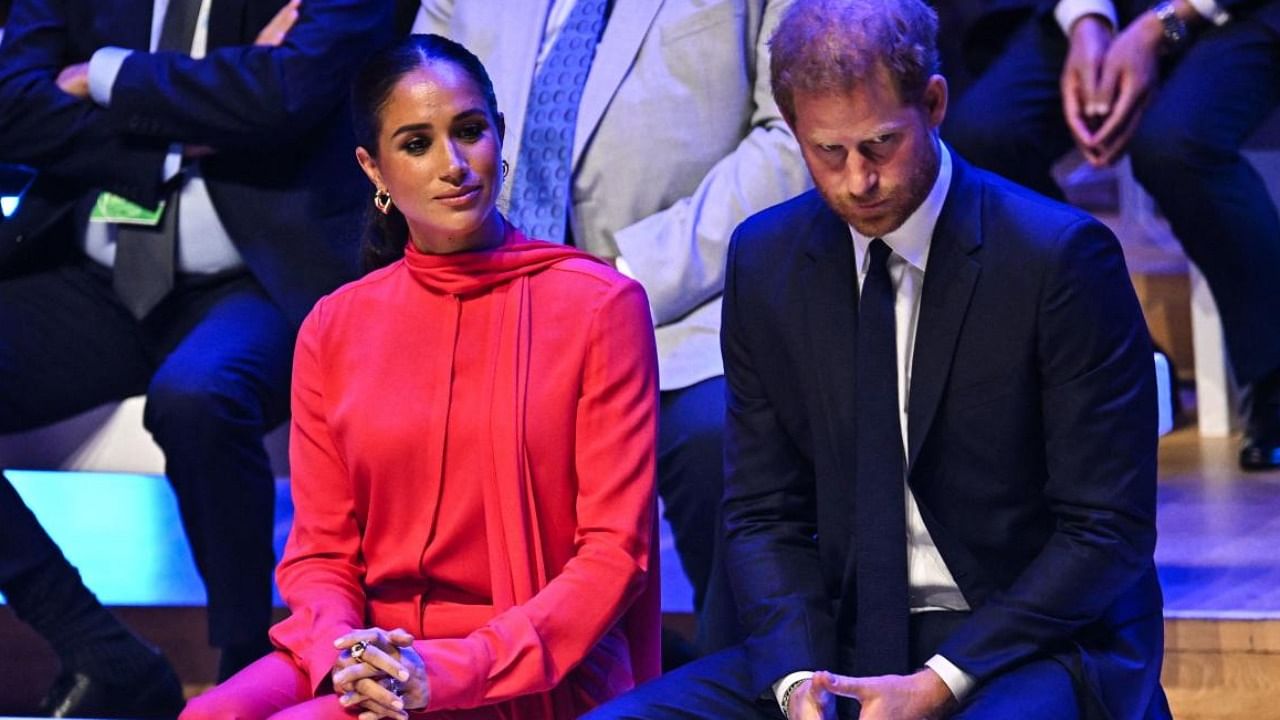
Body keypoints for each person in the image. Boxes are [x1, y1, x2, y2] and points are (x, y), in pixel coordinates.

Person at [585, 0, 1171, 718]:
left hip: (1027, 642)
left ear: (934, 103)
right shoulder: (766, 261)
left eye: (880, 145)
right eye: (827, 153)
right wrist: (799, 680)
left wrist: (941, 679)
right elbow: (765, 514)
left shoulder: (1058, 259)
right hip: (842, 637)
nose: (857, 180)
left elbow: (1106, 532)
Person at [180, 33, 660, 720]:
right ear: (373, 169)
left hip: (516, 663)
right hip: (368, 650)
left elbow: (614, 557)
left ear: (499, 134)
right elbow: (319, 553)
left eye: (470, 131)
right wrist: (348, 654)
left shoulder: (598, 307)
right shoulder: (333, 326)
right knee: (206, 715)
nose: (454, 165)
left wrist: (448, 668)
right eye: (416, 144)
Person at [0, 0, 395, 711]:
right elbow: (9, 105)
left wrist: (104, 77)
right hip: (93, 271)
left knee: (201, 395)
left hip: (259, 274)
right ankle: (97, 646)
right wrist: (191, 125)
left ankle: (251, 665)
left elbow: (286, 94)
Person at [411, 0, 812, 657]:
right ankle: (486, 672)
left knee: (718, 435)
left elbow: (794, 131)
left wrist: (626, 276)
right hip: (492, 299)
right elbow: (414, 109)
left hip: (688, 300)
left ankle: (742, 682)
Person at [944, 0, 1280, 470]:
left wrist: (1161, 25)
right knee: (982, 135)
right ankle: (1118, 347)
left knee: (1176, 144)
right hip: (1105, 10)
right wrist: (1086, 22)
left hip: (1243, 12)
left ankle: (1273, 375)